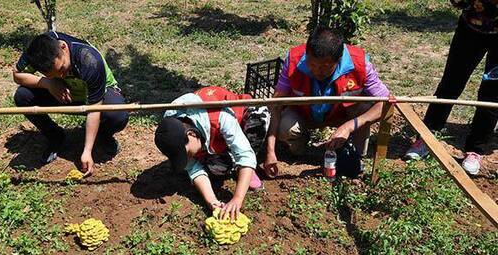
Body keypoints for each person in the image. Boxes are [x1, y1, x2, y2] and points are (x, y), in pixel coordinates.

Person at [263, 27, 390, 178]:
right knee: (286, 127)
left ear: (339, 59)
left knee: (364, 108)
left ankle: (354, 153)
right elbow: (275, 105)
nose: (317, 71)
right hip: (305, 114)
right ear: (307, 54)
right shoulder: (294, 60)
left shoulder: (360, 64)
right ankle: (302, 149)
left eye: (325, 67)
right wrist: (270, 151)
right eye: (313, 65)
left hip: (343, 115)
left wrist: (350, 126)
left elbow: (386, 103)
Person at [13, 31, 129, 174]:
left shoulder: (89, 59)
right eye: (53, 74)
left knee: (117, 115)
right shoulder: (36, 52)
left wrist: (87, 151)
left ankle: (102, 135)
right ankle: (56, 136)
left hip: (96, 95)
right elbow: (17, 75)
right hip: (65, 94)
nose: (61, 76)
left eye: (62, 69)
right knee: (23, 96)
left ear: (63, 47)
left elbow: (94, 108)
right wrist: (48, 83)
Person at [404, 0, 497, 176]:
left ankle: (476, 150)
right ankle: (427, 138)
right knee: (450, 84)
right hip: (470, 30)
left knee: (492, 93)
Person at [154, 86, 269, 221]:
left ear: (191, 134)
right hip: (213, 137)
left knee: (259, 115)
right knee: (218, 169)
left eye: (187, 153)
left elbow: (245, 154)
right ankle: (237, 164)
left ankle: (247, 170)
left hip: (239, 118)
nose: (188, 158)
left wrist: (237, 199)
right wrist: (212, 202)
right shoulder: (171, 127)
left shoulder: (219, 115)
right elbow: (192, 168)